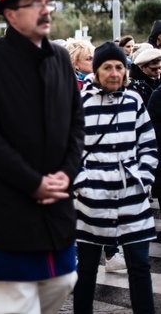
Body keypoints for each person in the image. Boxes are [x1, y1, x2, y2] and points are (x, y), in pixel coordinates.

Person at [0, 0, 85, 314]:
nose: (45, 10)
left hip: (56, 210)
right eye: (35, 4)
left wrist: (67, 173)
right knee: (17, 305)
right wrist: (33, 183)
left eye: (48, 2)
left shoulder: (61, 59)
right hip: (8, 212)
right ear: (11, 15)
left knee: (63, 281)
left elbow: (77, 124)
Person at [71, 42, 157, 313]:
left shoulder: (134, 101)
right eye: (107, 67)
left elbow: (148, 144)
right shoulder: (81, 104)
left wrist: (143, 179)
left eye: (119, 67)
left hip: (131, 197)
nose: (114, 72)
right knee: (86, 269)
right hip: (91, 201)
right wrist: (83, 186)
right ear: (96, 71)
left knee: (140, 267)